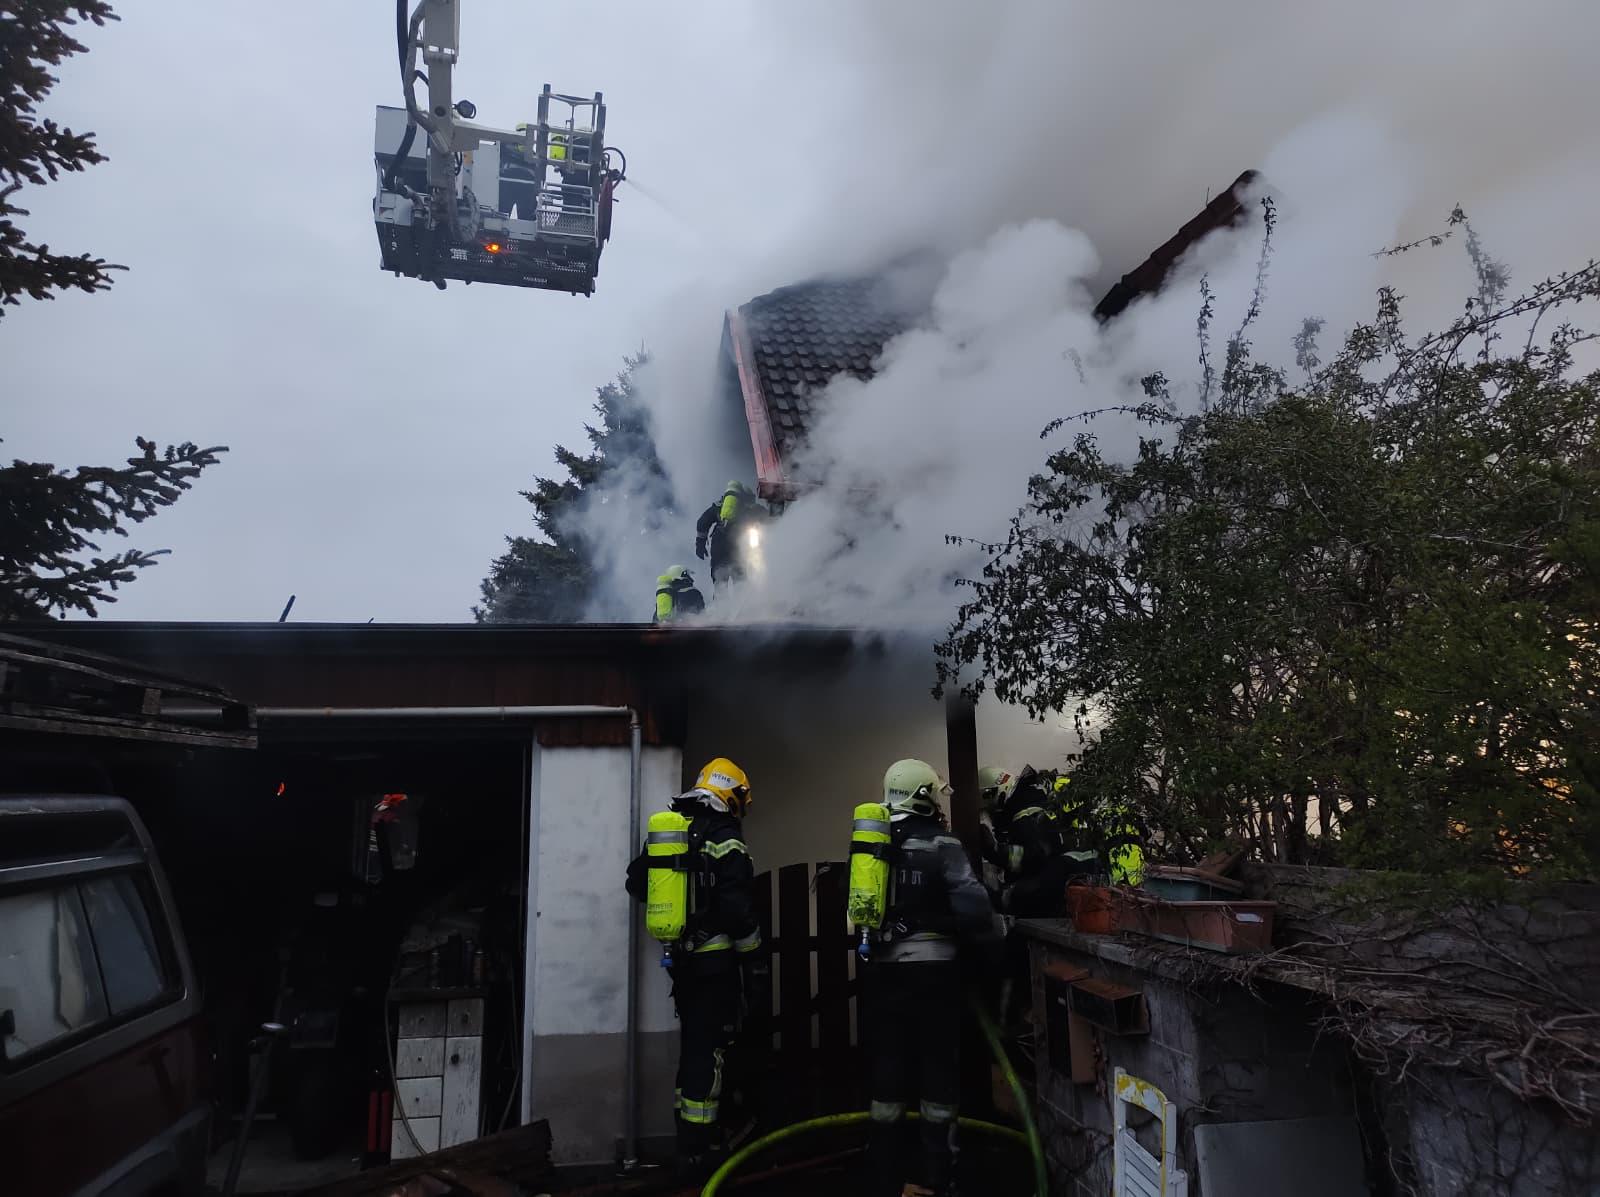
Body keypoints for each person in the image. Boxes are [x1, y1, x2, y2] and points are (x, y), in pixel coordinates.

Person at [861, 759, 997, 1197]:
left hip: (883, 975)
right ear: (924, 794)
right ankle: (939, 1176)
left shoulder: (873, 844)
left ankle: (885, 1175)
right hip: (935, 974)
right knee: (938, 1070)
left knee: (888, 1068)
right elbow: (976, 912)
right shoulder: (942, 843)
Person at [625, 758, 767, 1174]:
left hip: (681, 961)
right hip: (716, 966)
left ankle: (687, 1137)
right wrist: (755, 964)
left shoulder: (673, 828)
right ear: (734, 795)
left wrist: (680, 909)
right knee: (711, 1051)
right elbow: (740, 913)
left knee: (694, 1048)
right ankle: (699, 1150)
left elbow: (636, 881)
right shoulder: (727, 838)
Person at [695, 480, 763, 592]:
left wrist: (700, 544)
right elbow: (768, 518)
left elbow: (702, 522)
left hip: (718, 545)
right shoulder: (751, 508)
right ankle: (742, 606)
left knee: (719, 583)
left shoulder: (719, 506)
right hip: (737, 546)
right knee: (740, 583)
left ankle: (719, 606)